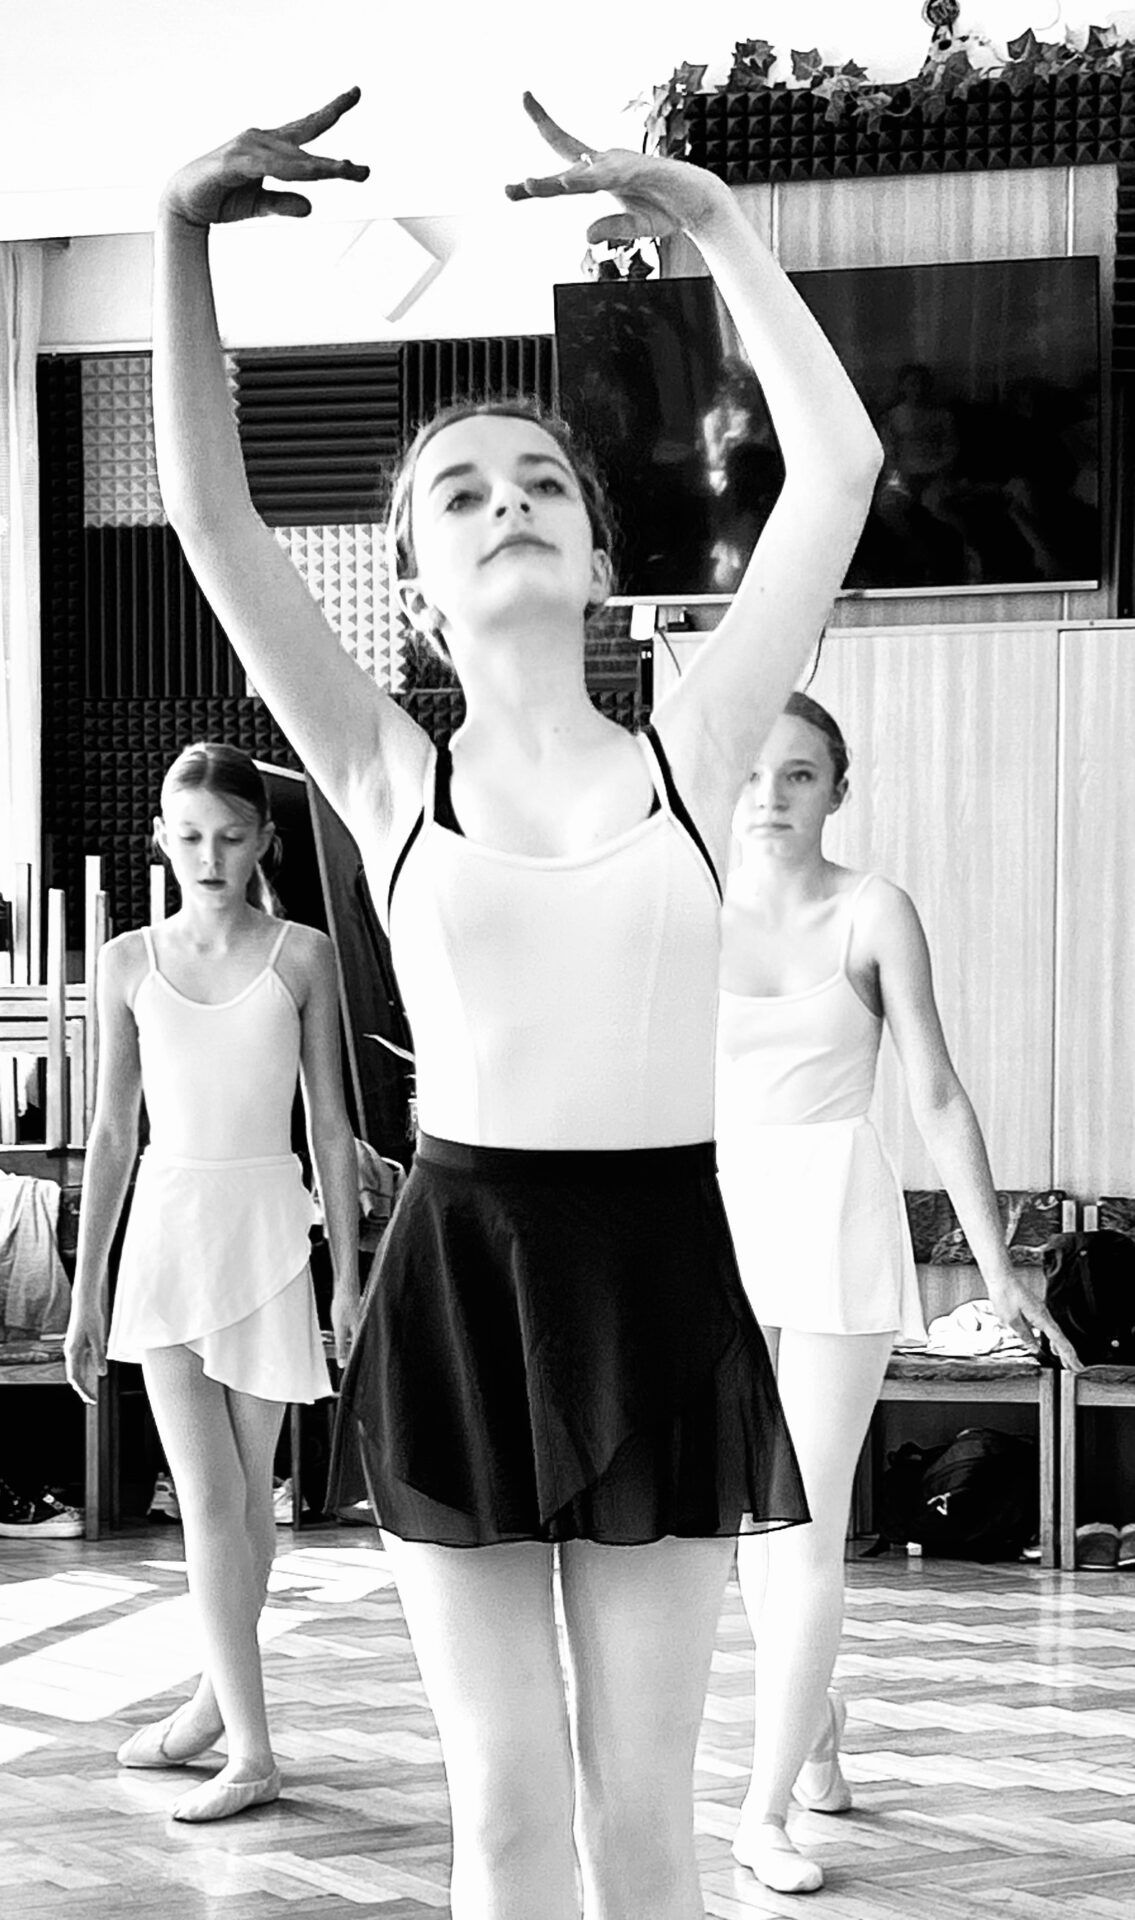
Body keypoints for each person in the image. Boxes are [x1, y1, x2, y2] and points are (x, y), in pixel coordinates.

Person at [148, 85, 884, 1919]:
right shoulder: (388, 777)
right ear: (415, 585)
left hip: (659, 1276)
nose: (509, 507)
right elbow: (213, 518)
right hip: (462, 1288)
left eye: (543, 482)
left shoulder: (697, 755)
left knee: (643, 1827)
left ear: (600, 557)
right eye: (462, 495)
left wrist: (712, 221)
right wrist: (174, 238)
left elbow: (839, 471)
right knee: (503, 1821)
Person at [715, 691, 1081, 1895]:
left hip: (831, 1217)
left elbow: (934, 1092)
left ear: (837, 788)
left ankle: (764, 1813)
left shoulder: (874, 912)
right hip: (718, 1226)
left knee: (804, 1521)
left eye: (799, 775)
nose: (772, 797)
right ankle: (812, 1720)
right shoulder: (692, 904)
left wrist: (998, 1269)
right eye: (755, 774)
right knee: (748, 1529)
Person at [64, 742, 359, 1822]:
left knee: (246, 1499)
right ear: (161, 839)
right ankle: (243, 1738)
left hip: (269, 1232)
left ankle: (215, 1716)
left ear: (262, 840)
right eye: (190, 836)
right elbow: (110, 1133)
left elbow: (331, 1124)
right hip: (167, 1232)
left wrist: (347, 1278)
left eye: (231, 837)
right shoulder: (127, 962)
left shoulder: (302, 955)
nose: (211, 855)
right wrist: (87, 1289)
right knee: (206, 1498)